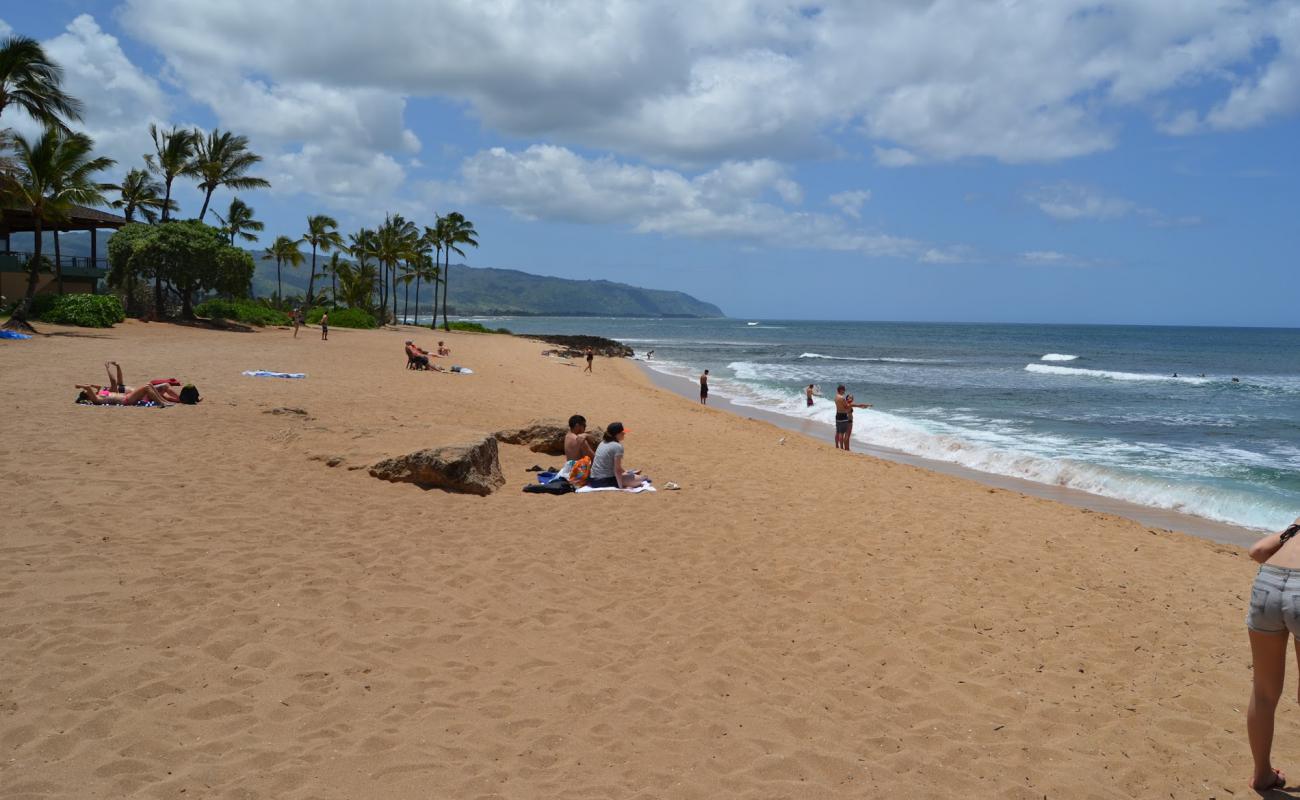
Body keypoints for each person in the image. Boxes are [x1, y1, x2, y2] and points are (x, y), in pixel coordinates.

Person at [1244, 516, 1300, 792]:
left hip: (1268, 582)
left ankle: (1262, 774)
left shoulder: (1298, 524)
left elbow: (1257, 552)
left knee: (1264, 692)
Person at [588, 422, 647, 489]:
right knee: (642, 478)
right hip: (603, 481)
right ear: (617, 434)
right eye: (622, 432)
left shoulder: (603, 442)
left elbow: (613, 466)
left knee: (631, 476)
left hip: (592, 480)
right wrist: (621, 487)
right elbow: (617, 470)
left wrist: (625, 472)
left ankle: (628, 477)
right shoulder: (617, 447)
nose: (624, 433)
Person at [76, 383, 170, 407]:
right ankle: (161, 403)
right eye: (87, 392)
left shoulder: (99, 394)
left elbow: (99, 387)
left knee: (149, 385)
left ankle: (164, 401)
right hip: (126, 400)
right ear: (88, 396)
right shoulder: (96, 399)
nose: (88, 390)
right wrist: (79, 386)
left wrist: (93, 386)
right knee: (146, 387)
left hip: (127, 397)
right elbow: (88, 387)